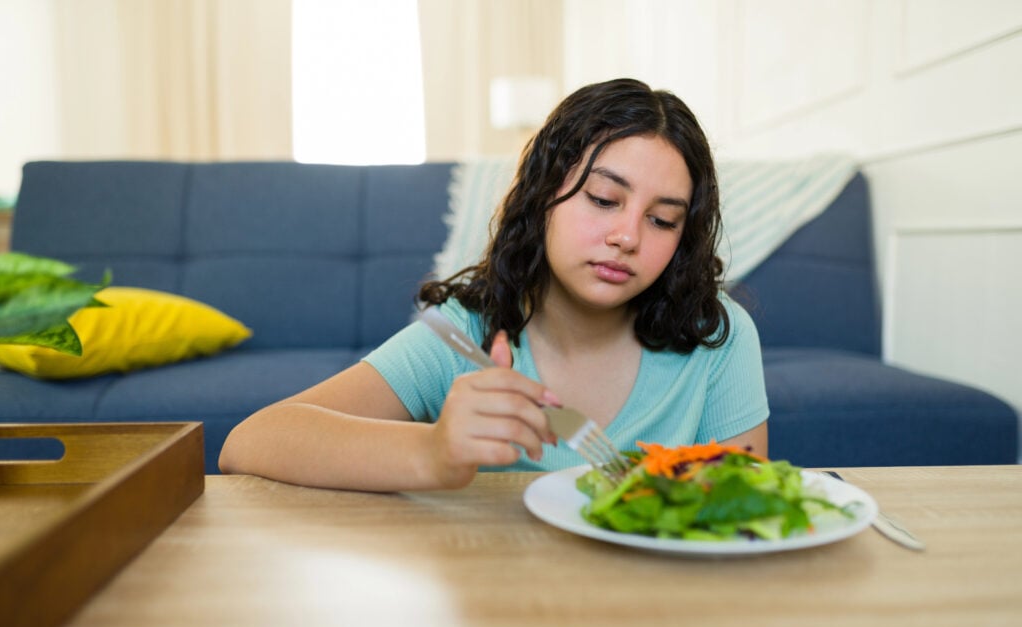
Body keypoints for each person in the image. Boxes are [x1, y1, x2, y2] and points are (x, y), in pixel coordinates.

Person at [219, 78, 769, 491]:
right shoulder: (465, 337)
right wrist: (433, 451)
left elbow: (742, 510)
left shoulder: (717, 337)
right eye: (603, 199)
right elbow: (252, 441)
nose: (627, 236)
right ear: (542, 196)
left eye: (662, 219)